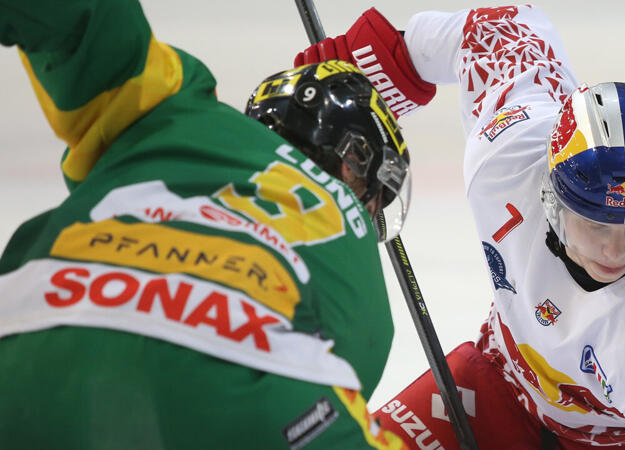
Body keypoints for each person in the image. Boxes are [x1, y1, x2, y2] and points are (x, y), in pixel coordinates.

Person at [294, 5, 625, 449]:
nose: (615, 249)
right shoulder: (510, 149)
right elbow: (498, 32)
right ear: (553, 198)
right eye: (596, 224)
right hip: (512, 383)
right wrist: (362, 76)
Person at [0, 1, 410, 449]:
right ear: (354, 163)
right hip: (231, 387)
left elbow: (84, 17)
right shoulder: (351, 244)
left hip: (28, 332)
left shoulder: (181, 116)